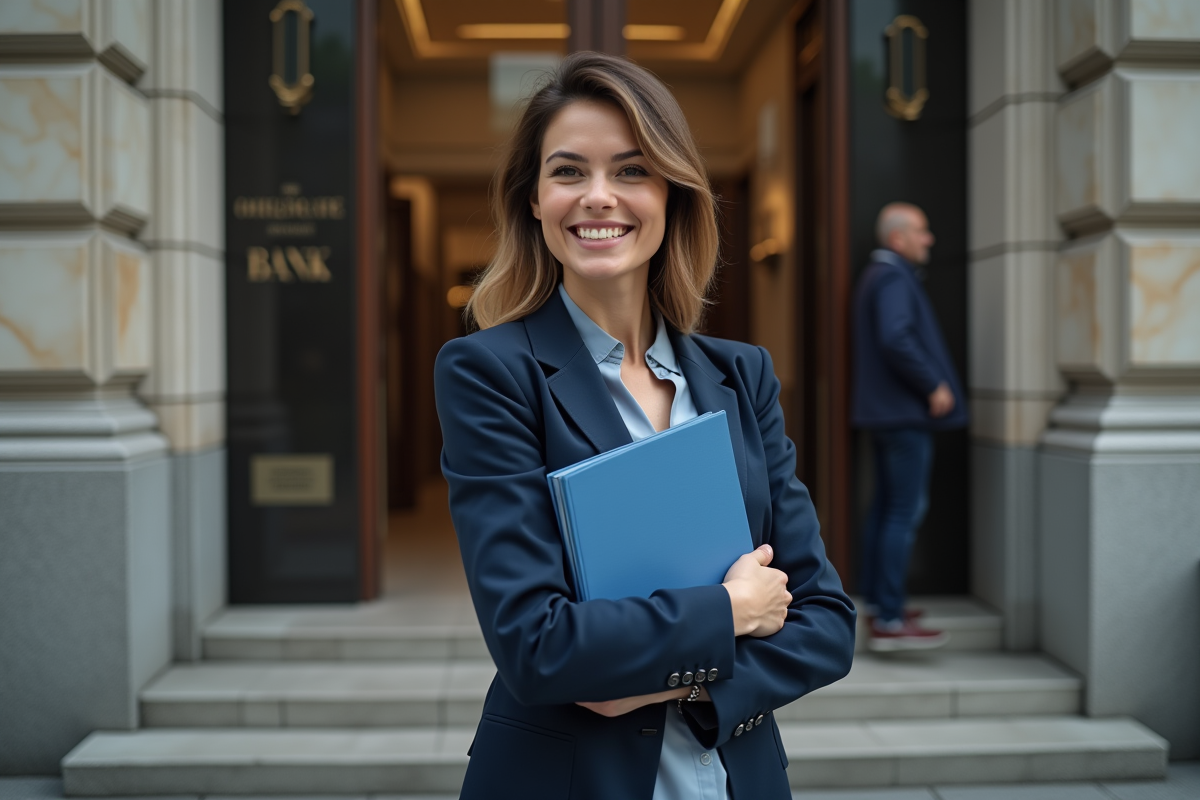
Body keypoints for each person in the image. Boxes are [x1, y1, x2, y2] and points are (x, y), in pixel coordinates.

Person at [434, 52, 856, 800]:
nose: (599, 197)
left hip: (736, 778)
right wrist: (733, 611)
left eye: (631, 171)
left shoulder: (741, 376)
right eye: (568, 172)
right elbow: (540, 649)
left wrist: (665, 682)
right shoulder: (488, 373)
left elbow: (824, 623)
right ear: (534, 200)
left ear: (672, 194)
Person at [851, 203, 968, 653]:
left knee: (886, 509)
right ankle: (891, 618)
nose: (929, 239)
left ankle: (885, 606)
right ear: (897, 238)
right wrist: (932, 384)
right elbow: (896, 336)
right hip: (903, 414)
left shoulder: (879, 277)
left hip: (887, 415)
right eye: (922, 230)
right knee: (902, 511)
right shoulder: (893, 277)